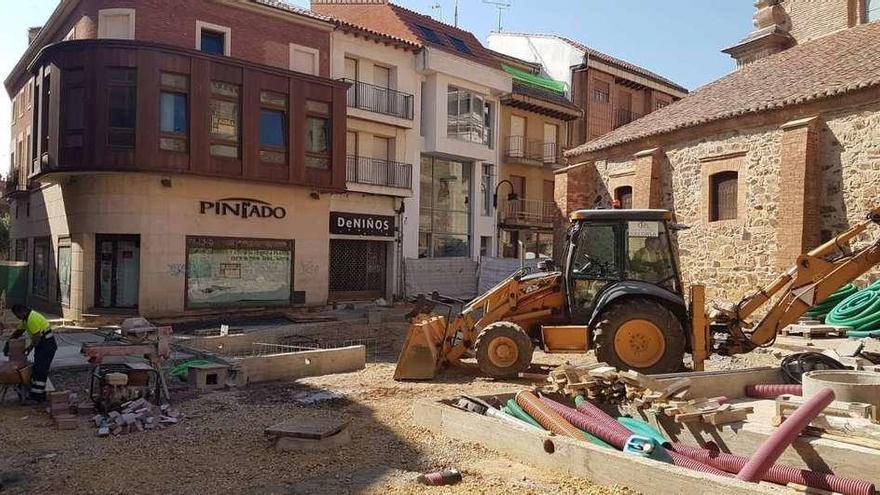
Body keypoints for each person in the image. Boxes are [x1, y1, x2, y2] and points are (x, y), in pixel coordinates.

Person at [2, 305, 57, 402]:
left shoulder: (32, 319)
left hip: (47, 346)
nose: (17, 318)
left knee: (40, 370)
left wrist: (29, 348)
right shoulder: (26, 320)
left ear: (21, 312)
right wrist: (8, 343)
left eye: (17, 315)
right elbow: (18, 332)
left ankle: (37, 397)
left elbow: (37, 337)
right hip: (41, 346)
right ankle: (39, 395)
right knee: (37, 369)